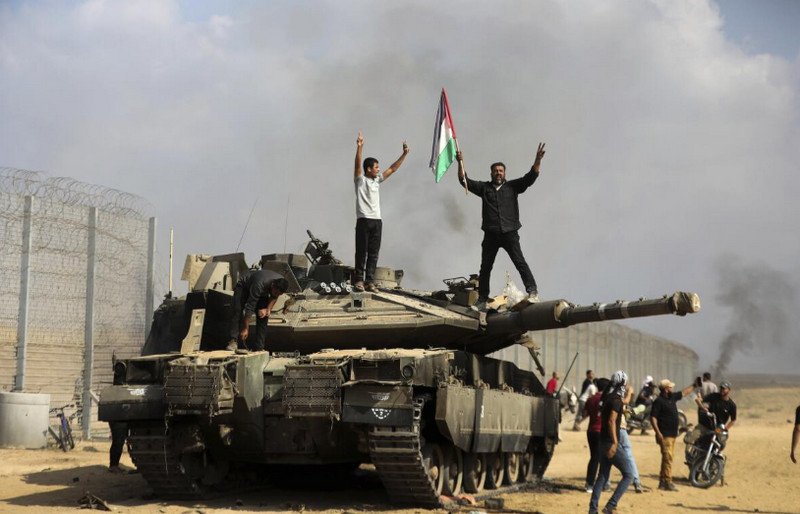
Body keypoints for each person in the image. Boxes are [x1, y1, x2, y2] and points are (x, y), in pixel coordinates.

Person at [456, 143, 546, 305]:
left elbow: (530, 177)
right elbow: (464, 181)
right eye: (496, 171)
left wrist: (538, 159)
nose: (498, 173)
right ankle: (482, 299)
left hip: (510, 233)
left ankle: (532, 291)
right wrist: (460, 162)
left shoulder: (512, 187)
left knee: (520, 262)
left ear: (505, 173)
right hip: (491, 234)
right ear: (491, 173)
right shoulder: (484, 188)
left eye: (501, 171)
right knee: (485, 267)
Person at [352, 132, 409, 292]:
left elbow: (392, 168)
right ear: (368, 169)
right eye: (376, 167)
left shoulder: (377, 180)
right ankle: (359, 280)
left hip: (377, 221)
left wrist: (404, 154)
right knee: (361, 252)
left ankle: (369, 281)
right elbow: (357, 165)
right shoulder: (360, 180)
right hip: (363, 219)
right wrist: (360, 147)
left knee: (373, 253)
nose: (378, 169)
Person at [589, 370, 634, 514]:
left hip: (602, 441)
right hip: (610, 442)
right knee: (629, 474)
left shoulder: (608, 397)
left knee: (602, 476)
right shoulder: (616, 400)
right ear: (622, 383)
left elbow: (619, 407)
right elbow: (611, 421)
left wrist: (629, 395)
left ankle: (592, 509)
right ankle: (610, 506)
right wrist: (615, 442)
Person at [650, 378, 696, 491]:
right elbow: (653, 418)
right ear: (666, 389)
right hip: (664, 435)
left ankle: (662, 482)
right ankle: (668, 482)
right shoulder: (659, 401)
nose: (672, 388)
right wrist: (658, 433)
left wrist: (695, 385)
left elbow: (684, 392)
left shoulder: (672, 397)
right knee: (668, 458)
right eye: (670, 387)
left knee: (666, 458)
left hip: (672, 434)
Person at [228, 269, 289, 351]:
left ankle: (259, 346)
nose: (277, 294)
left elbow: (274, 296)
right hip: (244, 287)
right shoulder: (259, 284)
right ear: (272, 285)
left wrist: (268, 309)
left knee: (263, 316)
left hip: (263, 291)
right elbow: (250, 307)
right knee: (237, 311)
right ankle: (233, 341)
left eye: (279, 294)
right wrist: (246, 328)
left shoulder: (281, 284)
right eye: (276, 292)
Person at [618, 386, 646, 493]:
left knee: (607, 457)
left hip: (610, 430)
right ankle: (636, 481)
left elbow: (626, 411)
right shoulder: (618, 399)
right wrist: (629, 392)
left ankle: (605, 483)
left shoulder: (609, 396)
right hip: (620, 429)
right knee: (628, 455)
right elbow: (624, 406)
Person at [584, 377, 609, 492]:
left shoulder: (591, 399)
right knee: (600, 458)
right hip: (601, 432)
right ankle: (593, 484)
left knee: (594, 457)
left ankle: (593, 483)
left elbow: (585, 413)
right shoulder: (607, 399)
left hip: (591, 431)